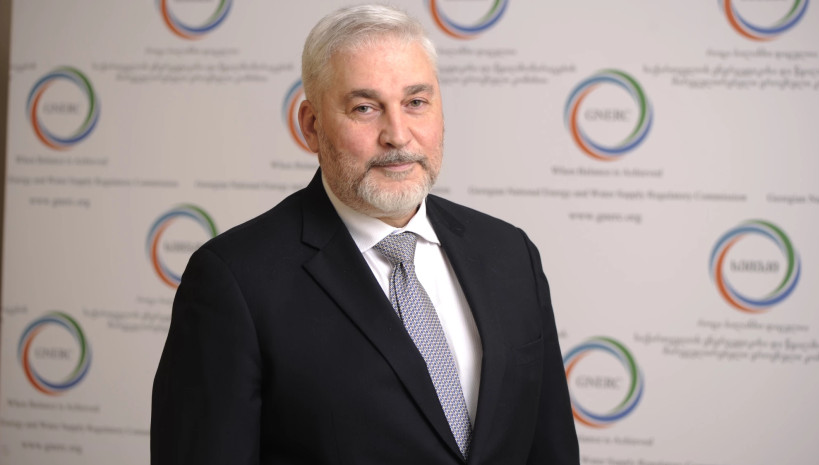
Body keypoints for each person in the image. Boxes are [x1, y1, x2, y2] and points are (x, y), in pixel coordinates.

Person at [151, 4, 579, 464]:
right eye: (365, 108)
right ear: (311, 126)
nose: (397, 135)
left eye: (416, 103)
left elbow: (550, 449)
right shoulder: (235, 280)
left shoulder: (510, 252)